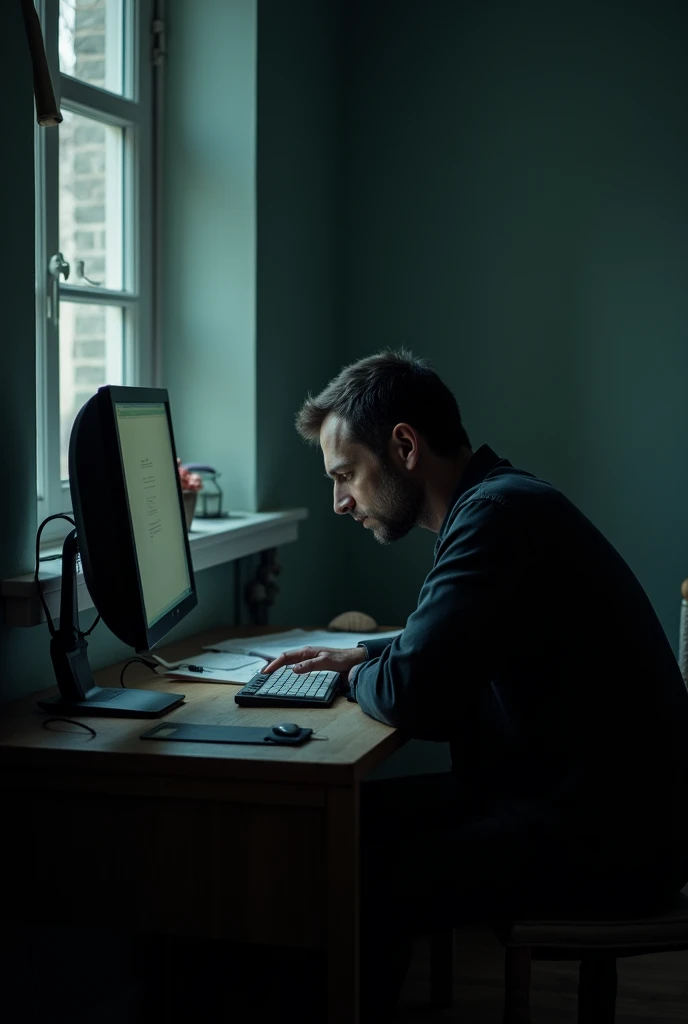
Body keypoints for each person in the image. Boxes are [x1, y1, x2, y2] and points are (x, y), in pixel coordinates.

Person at [263, 350, 688, 1020]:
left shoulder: (495, 519)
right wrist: (363, 655)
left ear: (404, 445)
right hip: (585, 805)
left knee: (352, 868)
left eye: (345, 475)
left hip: (611, 842)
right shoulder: (500, 502)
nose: (340, 503)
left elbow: (414, 692)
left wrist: (362, 676)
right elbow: (443, 642)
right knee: (341, 830)